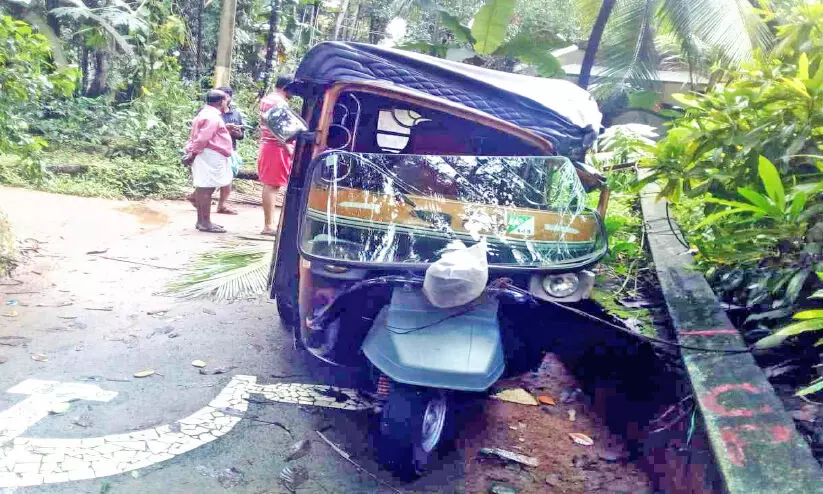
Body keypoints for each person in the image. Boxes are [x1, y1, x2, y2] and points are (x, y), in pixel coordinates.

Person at [183, 89, 233, 233]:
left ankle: (203, 221)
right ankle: (205, 222)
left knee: (205, 187)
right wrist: (192, 154)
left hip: (208, 154)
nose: (227, 102)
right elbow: (203, 138)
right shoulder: (212, 117)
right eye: (225, 100)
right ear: (221, 102)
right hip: (210, 155)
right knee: (206, 188)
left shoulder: (206, 114)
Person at [257, 77, 295, 236]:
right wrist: (287, 146)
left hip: (270, 145)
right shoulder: (278, 103)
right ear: (287, 87)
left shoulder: (268, 99)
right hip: (276, 146)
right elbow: (275, 126)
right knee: (272, 186)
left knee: (272, 185)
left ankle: (269, 223)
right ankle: (268, 225)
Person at [213, 86, 245, 215]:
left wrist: (236, 132)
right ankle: (196, 196)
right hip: (214, 148)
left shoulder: (236, 114)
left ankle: (222, 205)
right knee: (212, 176)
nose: (222, 100)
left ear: (229, 98)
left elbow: (241, 135)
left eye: (224, 97)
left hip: (230, 150)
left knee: (228, 177)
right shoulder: (210, 113)